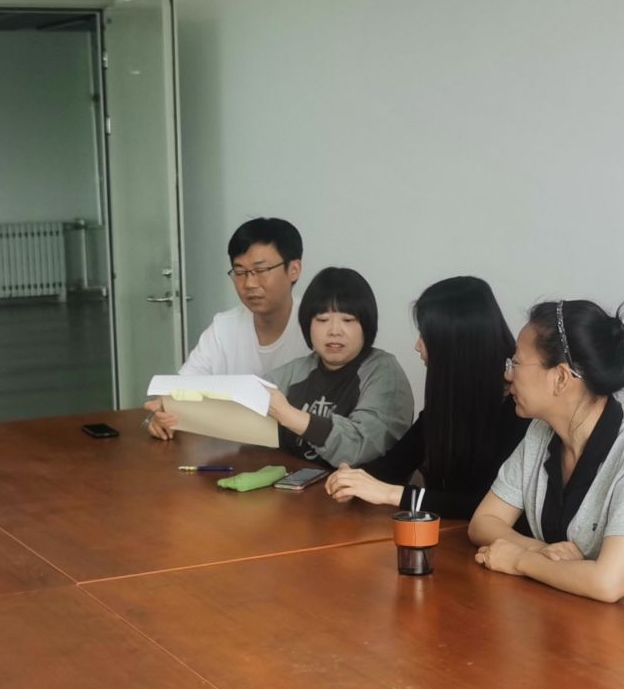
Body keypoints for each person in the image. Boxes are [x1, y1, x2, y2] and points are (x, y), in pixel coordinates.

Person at [468, 299, 624, 604]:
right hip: (567, 611)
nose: (508, 375)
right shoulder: (541, 432)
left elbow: (608, 584)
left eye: (516, 363)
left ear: (561, 378)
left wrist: (520, 560)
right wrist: (542, 552)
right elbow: (483, 521)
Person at [325, 276, 523, 519]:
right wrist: (354, 479)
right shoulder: (452, 397)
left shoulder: (519, 409)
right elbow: (394, 465)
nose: (417, 346)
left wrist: (391, 494)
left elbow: (485, 506)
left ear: (455, 342)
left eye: (425, 336)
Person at [146, 217, 305, 441]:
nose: (249, 284)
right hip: (234, 450)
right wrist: (164, 416)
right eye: (239, 272)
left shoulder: (317, 327)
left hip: (299, 450)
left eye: (261, 270)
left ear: (294, 270)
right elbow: (183, 391)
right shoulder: (224, 327)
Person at [264, 266, 414, 467]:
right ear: (307, 325)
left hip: (355, 487)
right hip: (293, 482)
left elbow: (358, 446)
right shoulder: (299, 370)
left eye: (348, 320)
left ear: (367, 325)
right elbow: (251, 402)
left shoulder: (383, 372)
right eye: (322, 320)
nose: (334, 331)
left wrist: (288, 415)